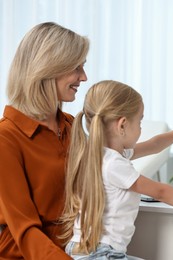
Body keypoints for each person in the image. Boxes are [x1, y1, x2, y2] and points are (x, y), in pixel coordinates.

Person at [60, 80, 173, 259]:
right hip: (102, 254)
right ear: (122, 125)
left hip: (81, 250)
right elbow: (161, 191)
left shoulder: (98, 155)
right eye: (140, 121)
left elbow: (154, 145)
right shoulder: (114, 164)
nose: (141, 127)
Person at [0, 22, 89, 259]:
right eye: (76, 68)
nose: (84, 77)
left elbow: (109, 157)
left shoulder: (69, 126)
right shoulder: (5, 139)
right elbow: (25, 231)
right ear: (48, 68)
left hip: (72, 251)